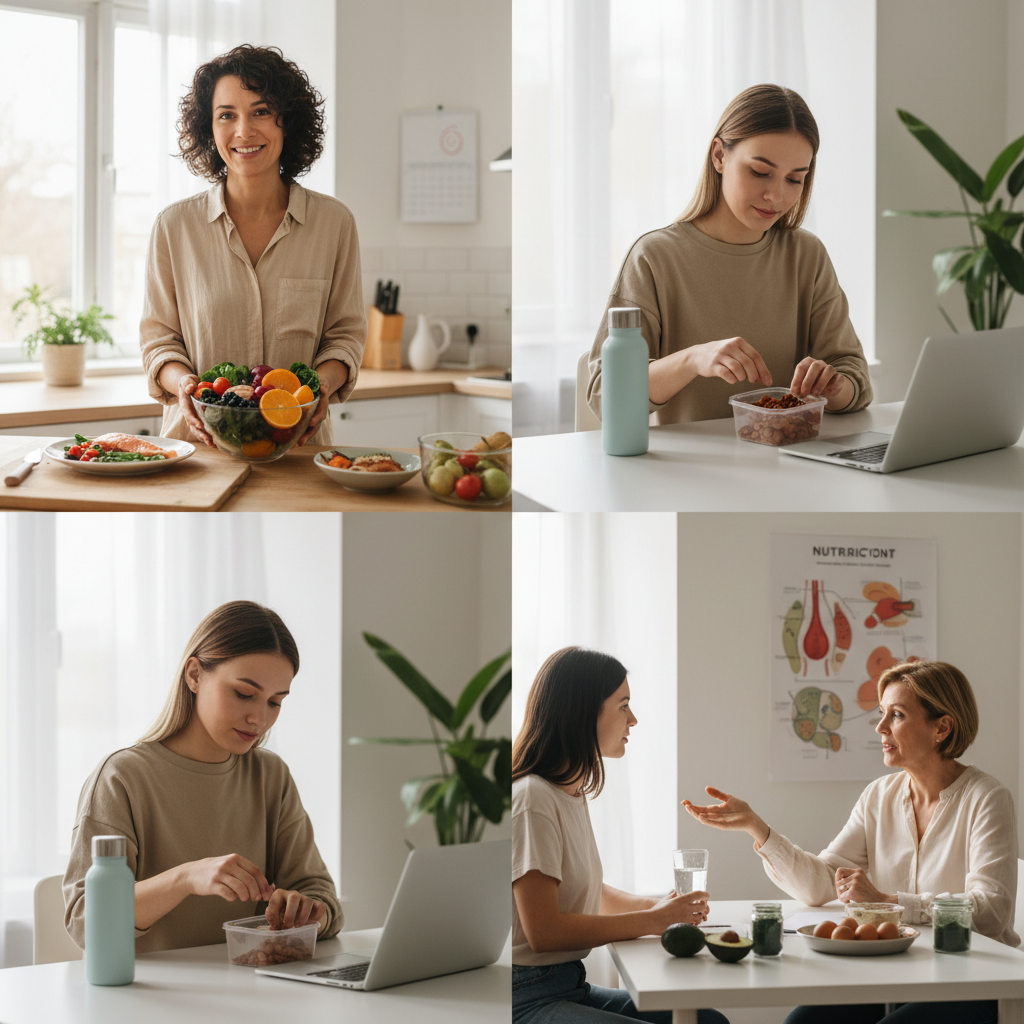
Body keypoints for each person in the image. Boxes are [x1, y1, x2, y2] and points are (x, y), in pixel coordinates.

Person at [684, 660, 1018, 1024]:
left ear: (942, 727)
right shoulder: (879, 795)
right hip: (897, 974)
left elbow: (989, 912)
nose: (880, 727)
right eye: (881, 714)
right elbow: (825, 881)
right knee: (802, 1023)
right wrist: (758, 830)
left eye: (897, 715)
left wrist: (887, 903)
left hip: (975, 983)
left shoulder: (987, 797)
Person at [63, 600, 343, 953]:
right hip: (149, 1002)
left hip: (256, 994)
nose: (259, 718)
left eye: (275, 702)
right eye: (244, 694)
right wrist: (185, 878)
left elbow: (321, 896)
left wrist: (310, 911)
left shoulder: (271, 777)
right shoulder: (122, 779)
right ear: (194, 675)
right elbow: (86, 922)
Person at [587, 83, 873, 427]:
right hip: (690, 475)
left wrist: (835, 386)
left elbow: (854, 378)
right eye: (760, 172)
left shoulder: (806, 256)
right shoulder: (654, 258)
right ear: (719, 156)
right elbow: (605, 396)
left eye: (795, 179)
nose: (776, 196)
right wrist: (693, 359)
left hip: (794, 467)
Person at [141, 44, 366, 449]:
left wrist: (322, 386)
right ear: (208, 128)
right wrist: (185, 385)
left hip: (296, 450)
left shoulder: (334, 224)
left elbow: (344, 335)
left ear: (287, 122)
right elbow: (159, 341)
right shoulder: (173, 227)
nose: (244, 131)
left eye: (261, 111)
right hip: (196, 453)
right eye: (226, 115)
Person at [512, 647, 729, 1024]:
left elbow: (587, 892)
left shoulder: (568, 792)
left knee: (707, 1021)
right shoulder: (533, 798)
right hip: (525, 998)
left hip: (566, 986)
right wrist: (653, 921)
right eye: (623, 705)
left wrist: (658, 908)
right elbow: (544, 932)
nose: (634, 720)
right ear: (582, 712)